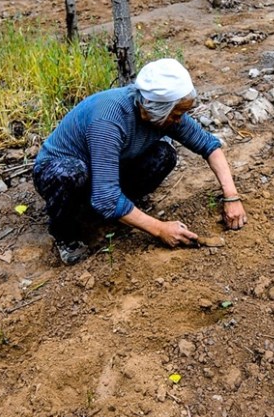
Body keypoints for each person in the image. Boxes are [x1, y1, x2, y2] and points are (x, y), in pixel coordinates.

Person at [32, 58, 248, 264]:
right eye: (177, 114)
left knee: (164, 155)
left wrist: (231, 197)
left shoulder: (164, 112)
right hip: (60, 169)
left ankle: (121, 209)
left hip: (105, 170)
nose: (179, 120)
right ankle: (65, 235)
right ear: (155, 108)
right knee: (72, 174)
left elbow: (208, 146)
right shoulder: (109, 120)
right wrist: (159, 229)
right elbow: (105, 196)